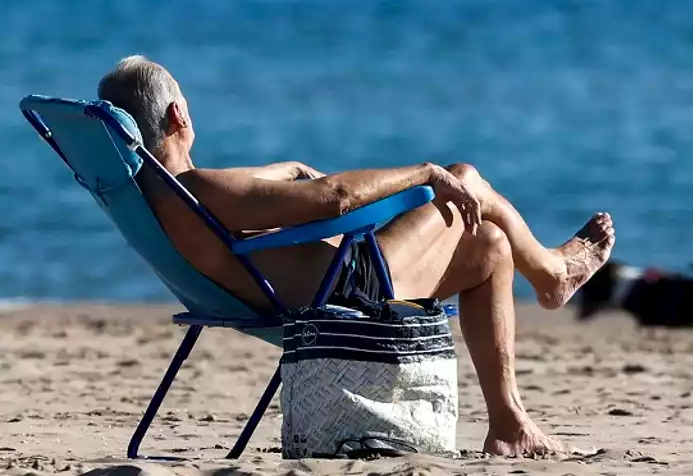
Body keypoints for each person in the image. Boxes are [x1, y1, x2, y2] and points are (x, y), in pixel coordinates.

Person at [97, 55, 617, 456]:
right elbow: (335, 199)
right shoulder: (197, 189)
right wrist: (423, 174)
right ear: (177, 113)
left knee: (489, 244)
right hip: (345, 289)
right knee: (464, 178)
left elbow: (273, 187)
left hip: (295, 287)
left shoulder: (159, 193)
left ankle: (509, 425)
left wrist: (289, 171)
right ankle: (551, 275)